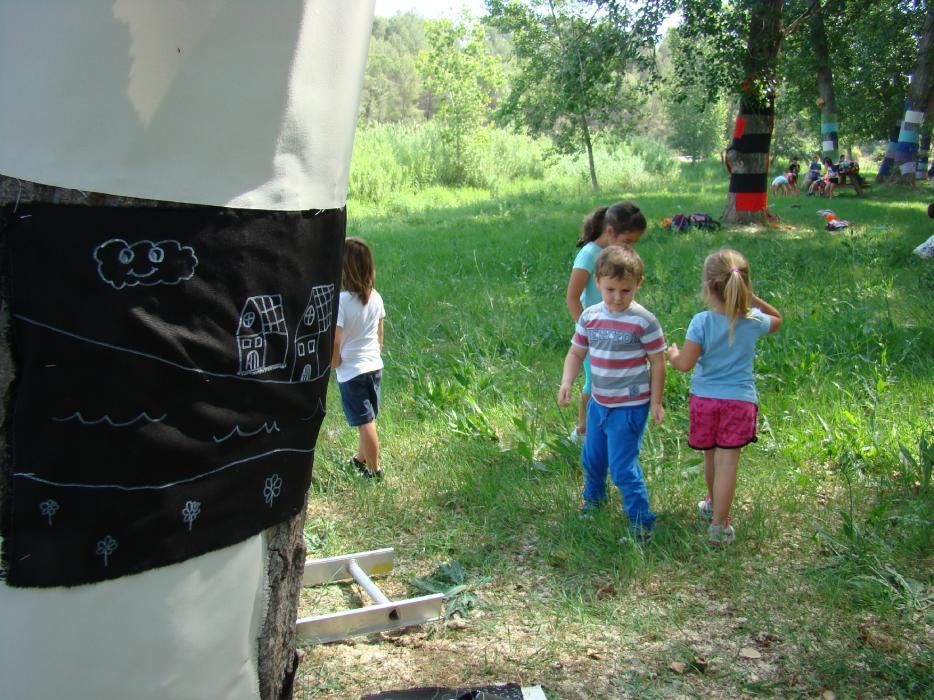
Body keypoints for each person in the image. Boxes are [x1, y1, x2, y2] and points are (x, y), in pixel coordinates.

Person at [667, 249, 782, 545]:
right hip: (739, 401)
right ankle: (719, 524)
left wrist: (673, 354)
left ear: (707, 287)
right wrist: (749, 298)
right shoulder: (753, 320)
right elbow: (777, 318)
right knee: (728, 463)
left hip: (705, 401)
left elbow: (684, 365)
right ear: (744, 284)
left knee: (711, 457)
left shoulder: (701, 321)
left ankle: (710, 505)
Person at [558, 245, 666, 541]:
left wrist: (656, 401)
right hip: (599, 403)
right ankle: (593, 503)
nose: (617, 297)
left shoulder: (644, 321)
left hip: (630, 406)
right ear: (597, 283)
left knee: (621, 467)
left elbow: (657, 361)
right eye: (610, 289)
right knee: (592, 459)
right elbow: (576, 353)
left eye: (625, 291)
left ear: (638, 286)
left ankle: (641, 523)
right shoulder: (590, 317)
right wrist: (567, 382)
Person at [564, 201, 647, 442]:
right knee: (594, 381)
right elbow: (572, 298)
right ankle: (582, 432)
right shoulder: (589, 255)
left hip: (614, 330)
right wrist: (588, 332)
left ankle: (609, 425)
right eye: (628, 241)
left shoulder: (612, 256)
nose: (631, 248)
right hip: (593, 332)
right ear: (610, 232)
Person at [331, 237, 385, 479]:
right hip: (374, 367)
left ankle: (374, 471)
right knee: (368, 417)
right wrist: (374, 355)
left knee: (366, 422)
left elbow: (336, 340)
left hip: (352, 372)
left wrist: (334, 361)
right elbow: (378, 335)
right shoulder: (376, 297)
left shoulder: (341, 302)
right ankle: (359, 459)